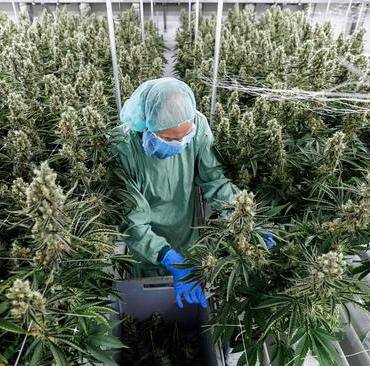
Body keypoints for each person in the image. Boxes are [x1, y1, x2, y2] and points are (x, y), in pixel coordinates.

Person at [112, 77, 274, 309]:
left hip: (188, 233)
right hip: (145, 245)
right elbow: (132, 220)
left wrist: (243, 219)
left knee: (192, 295)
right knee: (150, 302)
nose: (180, 144)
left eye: (184, 137)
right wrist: (167, 256)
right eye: (170, 138)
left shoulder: (197, 125)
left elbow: (216, 181)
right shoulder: (123, 147)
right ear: (146, 126)